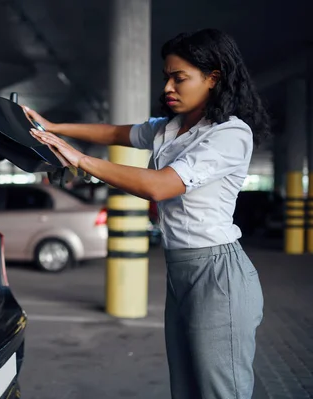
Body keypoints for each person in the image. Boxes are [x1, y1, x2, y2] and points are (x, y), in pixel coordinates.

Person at [24, 28, 268, 399]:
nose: (168, 87)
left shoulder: (229, 134)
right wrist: (54, 127)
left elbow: (160, 185)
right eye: (166, 76)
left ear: (213, 78)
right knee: (186, 386)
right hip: (180, 270)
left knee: (221, 392)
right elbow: (112, 132)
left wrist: (80, 159)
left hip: (218, 274)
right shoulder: (168, 129)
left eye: (179, 77)